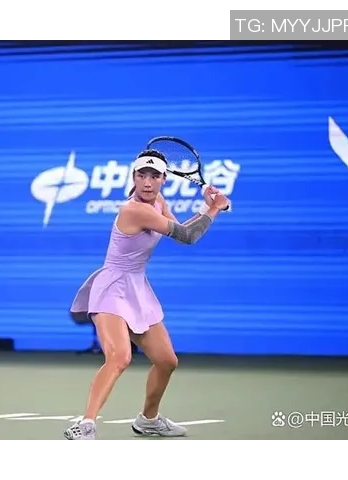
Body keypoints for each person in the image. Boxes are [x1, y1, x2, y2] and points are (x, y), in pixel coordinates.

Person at [64, 148, 230, 440]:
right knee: (119, 357)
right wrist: (214, 208)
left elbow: (182, 230)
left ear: (164, 179)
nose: (148, 182)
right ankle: (86, 424)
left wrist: (207, 208)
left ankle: (148, 420)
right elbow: (188, 236)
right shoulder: (134, 210)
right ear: (134, 177)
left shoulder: (158, 203)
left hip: (137, 288)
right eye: (142, 175)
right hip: (111, 288)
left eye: (154, 176)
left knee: (167, 360)